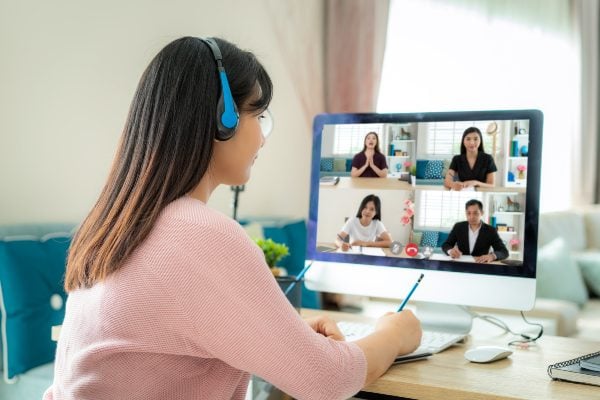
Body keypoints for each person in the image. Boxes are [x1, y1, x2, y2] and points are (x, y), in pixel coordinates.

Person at [44, 37, 421, 400]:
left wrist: (275, 337)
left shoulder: (111, 225)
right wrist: (394, 333)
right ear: (223, 118)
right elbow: (328, 379)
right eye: (258, 116)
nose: (262, 138)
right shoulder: (201, 235)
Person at [441, 199, 509, 263]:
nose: (471, 217)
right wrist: (450, 251)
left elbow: (504, 251)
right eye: (468, 213)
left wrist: (492, 256)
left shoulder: (491, 230)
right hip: (461, 264)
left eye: (475, 213)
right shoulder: (458, 227)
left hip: (481, 265)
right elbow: (446, 244)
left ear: (482, 213)